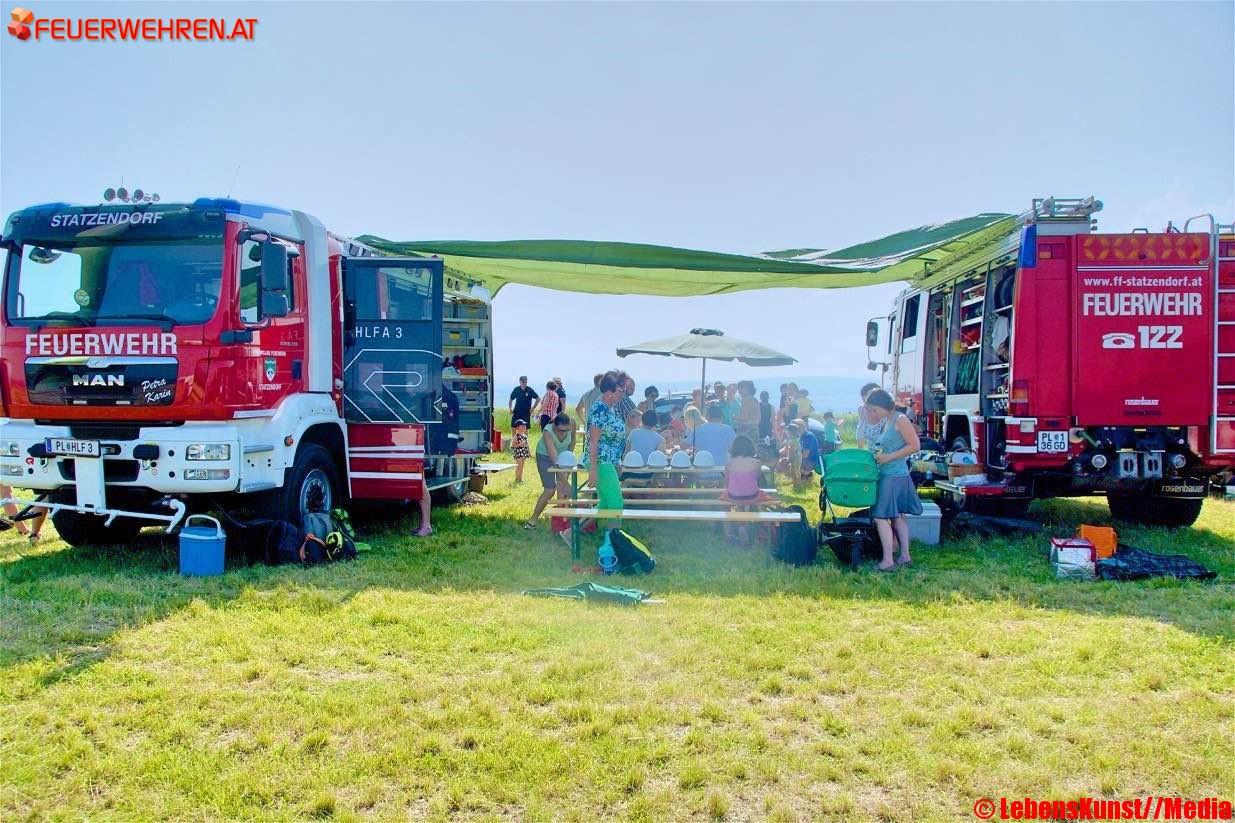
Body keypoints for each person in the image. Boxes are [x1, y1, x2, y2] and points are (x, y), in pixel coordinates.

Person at [864, 388, 924, 571]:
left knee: (881, 517)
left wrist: (888, 458)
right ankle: (905, 556)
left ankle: (888, 561)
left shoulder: (900, 419)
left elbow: (915, 446)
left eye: (873, 409)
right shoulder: (889, 420)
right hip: (892, 474)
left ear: (882, 406)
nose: (872, 413)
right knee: (897, 517)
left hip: (893, 474)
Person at [525, 413, 574, 529]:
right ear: (554, 427)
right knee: (550, 490)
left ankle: (561, 522)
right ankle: (533, 520)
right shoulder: (548, 431)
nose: (564, 433)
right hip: (545, 456)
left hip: (563, 457)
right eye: (561, 431)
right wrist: (564, 479)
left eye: (567, 430)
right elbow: (552, 452)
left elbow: (572, 443)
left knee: (562, 488)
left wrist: (568, 459)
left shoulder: (572, 424)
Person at [585, 371, 628, 489]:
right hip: (601, 462)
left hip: (610, 462)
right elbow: (593, 441)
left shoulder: (611, 408)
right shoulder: (600, 409)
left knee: (606, 503)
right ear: (609, 392)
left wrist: (617, 462)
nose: (623, 394)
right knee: (615, 503)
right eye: (621, 390)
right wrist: (593, 469)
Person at [855, 382, 885, 448]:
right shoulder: (862, 410)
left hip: (888, 455)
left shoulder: (887, 415)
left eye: (868, 401)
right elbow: (860, 432)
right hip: (872, 454)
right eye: (863, 401)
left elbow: (886, 440)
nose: (865, 405)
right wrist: (860, 452)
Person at [796, 418, 822, 482]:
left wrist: (794, 456)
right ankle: (803, 475)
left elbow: (805, 455)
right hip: (805, 458)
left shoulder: (808, 436)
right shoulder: (801, 436)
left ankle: (807, 474)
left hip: (810, 460)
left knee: (791, 465)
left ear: (801, 427)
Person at [511, 419, 531, 483]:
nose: (524, 426)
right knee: (519, 466)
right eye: (522, 425)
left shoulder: (525, 436)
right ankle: (517, 478)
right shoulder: (516, 436)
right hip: (518, 453)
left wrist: (529, 452)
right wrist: (520, 444)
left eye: (524, 425)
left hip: (524, 452)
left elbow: (527, 445)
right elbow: (513, 445)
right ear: (517, 427)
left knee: (522, 466)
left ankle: (520, 478)